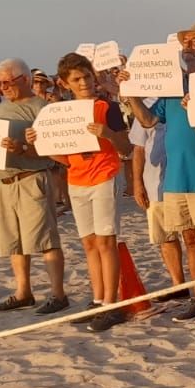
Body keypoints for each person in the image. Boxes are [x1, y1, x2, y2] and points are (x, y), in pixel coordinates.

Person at [121, 23, 195, 322]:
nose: (188, 46)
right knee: (190, 238)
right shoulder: (172, 86)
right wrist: (131, 94)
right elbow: (150, 121)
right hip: (176, 176)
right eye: (186, 42)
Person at [29, 52, 128, 332]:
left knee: (107, 241)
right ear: (65, 83)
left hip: (105, 175)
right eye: (77, 78)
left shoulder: (106, 107)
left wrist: (107, 133)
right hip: (77, 179)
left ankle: (112, 303)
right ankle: (97, 299)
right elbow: (63, 157)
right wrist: (39, 143)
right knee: (89, 243)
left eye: (87, 76)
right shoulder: (59, 113)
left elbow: (126, 148)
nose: (84, 82)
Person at [0, 59, 69, 315]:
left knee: (45, 239)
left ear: (26, 80)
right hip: (5, 182)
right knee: (13, 241)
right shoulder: (1, 108)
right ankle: (23, 292)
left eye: (9, 82)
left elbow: (52, 152)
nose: (4, 87)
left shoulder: (42, 109)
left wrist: (23, 149)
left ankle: (58, 294)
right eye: (0, 83)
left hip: (32, 178)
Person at [128, 96, 189, 301]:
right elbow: (138, 147)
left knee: (193, 235)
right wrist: (137, 183)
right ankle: (178, 284)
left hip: (187, 176)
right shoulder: (145, 104)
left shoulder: (187, 96)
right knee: (165, 236)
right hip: (156, 181)